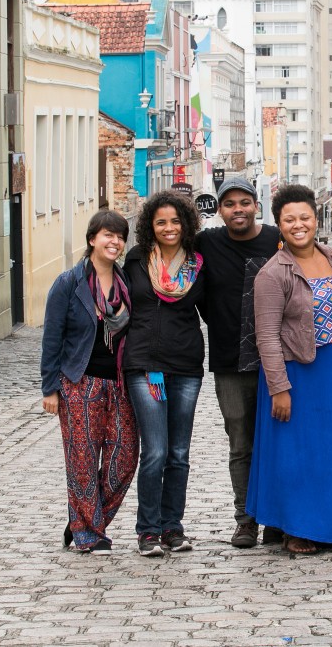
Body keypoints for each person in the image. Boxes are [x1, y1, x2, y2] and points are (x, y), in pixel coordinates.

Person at [247, 184, 332, 555]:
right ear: (278, 224)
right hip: (296, 372)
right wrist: (279, 387)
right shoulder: (272, 273)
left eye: (304, 217)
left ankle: (328, 526)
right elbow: (266, 336)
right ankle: (295, 528)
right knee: (294, 453)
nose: (298, 225)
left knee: (330, 450)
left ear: (315, 218)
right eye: (289, 219)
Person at [41, 209, 138, 555]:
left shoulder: (126, 282)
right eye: (107, 235)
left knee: (125, 458)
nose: (114, 241)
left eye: (119, 236)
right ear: (92, 239)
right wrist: (50, 388)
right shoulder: (70, 283)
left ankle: (82, 518)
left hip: (120, 383)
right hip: (79, 382)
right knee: (81, 459)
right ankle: (88, 533)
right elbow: (53, 337)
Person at [194, 177, 283, 548]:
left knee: (278, 440)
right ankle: (245, 520)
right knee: (241, 443)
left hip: (277, 360)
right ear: (220, 209)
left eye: (244, 202)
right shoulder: (207, 243)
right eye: (229, 204)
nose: (237, 209)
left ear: (255, 205)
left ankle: (277, 518)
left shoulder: (277, 239)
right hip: (229, 360)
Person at [122, 191, 205, 557]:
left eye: (175, 221)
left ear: (185, 224)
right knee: (154, 451)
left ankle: (173, 527)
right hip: (145, 366)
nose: (169, 228)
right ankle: (148, 530)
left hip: (186, 365)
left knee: (179, 453)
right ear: (150, 227)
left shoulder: (198, 264)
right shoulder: (138, 260)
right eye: (161, 222)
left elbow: (217, 307)